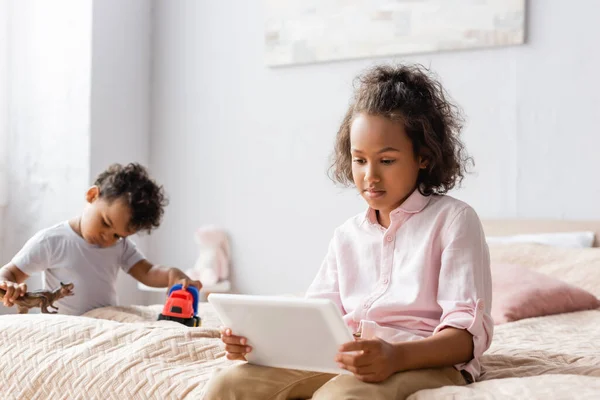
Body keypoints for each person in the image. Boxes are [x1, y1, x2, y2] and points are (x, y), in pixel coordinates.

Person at [204, 64, 493, 400]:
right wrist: (255, 344)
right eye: (359, 160)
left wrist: (395, 356)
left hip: (423, 360)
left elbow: (466, 337)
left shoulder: (454, 220)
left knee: (339, 397)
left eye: (386, 161)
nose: (370, 176)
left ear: (423, 157)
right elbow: (313, 320)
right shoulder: (346, 235)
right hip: (345, 357)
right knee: (228, 385)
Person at [0, 162, 202, 315]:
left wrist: (172, 275)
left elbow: (147, 272)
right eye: (105, 222)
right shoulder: (52, 241)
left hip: (104, 326)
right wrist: (8, 285)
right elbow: (9, 273)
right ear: (91, 196)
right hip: (65, 329)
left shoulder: (120, 246)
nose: (106, 237)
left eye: (117, 235)